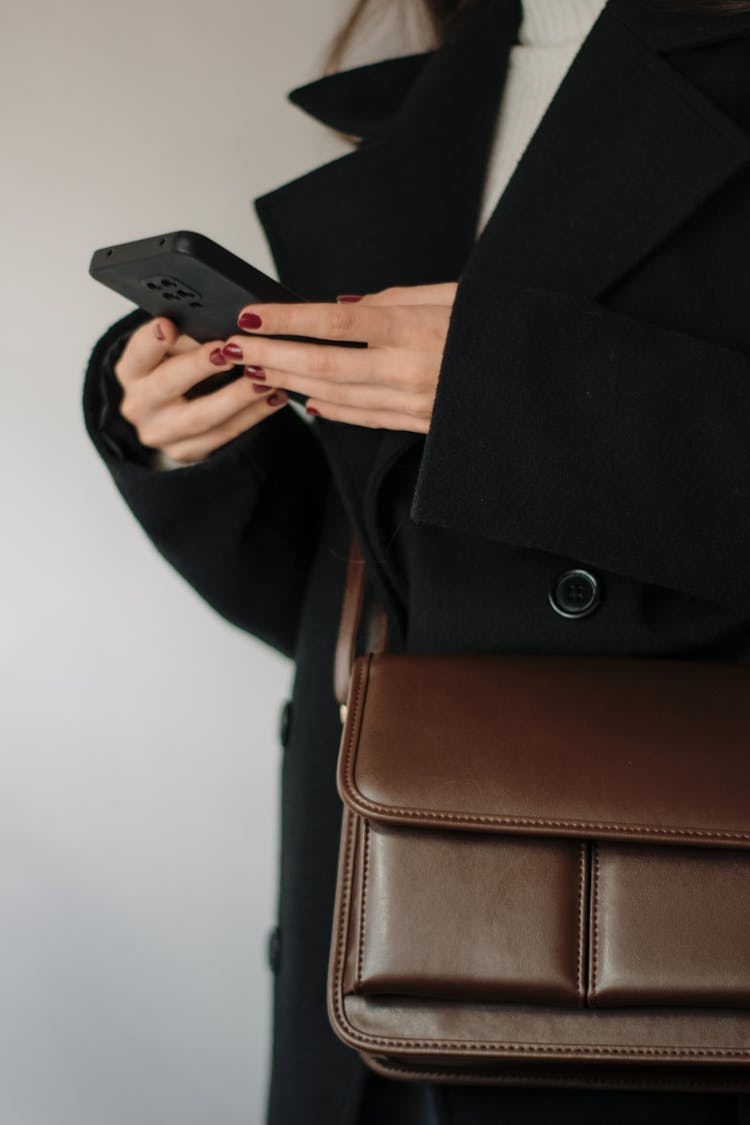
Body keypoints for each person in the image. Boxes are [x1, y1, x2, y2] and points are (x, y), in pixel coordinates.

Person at [82, 0, 750, 1121]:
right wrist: (185, 442)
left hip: (675, 938)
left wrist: (526, 395)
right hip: (392, 920)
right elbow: (395, 597)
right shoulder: (455, 79)